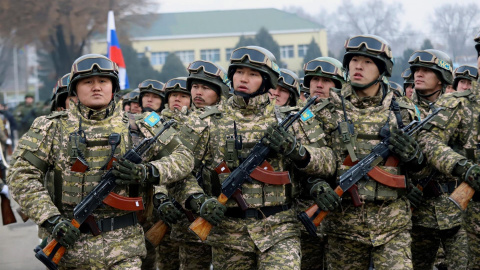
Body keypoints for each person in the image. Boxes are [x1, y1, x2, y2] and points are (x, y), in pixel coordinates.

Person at [7, 54, 194, 269]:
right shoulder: (50, 128)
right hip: (72, 247)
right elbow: (21, 176)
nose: (96, 87)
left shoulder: (143, 125)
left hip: (125, 249)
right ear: (75, 89)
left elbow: (184, 158)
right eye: (88, 82)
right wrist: (51, 219)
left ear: (113, 87)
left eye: (103, 81)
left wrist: (148, 171)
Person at [185, 45, 335, 269]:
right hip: (229, 236)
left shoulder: (293, 119)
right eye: (239, 72)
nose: (243, 79)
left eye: (253, 74)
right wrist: (197, 200)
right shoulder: (205, 121)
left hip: (279, 230)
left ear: (267, 81)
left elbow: (328, 162)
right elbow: (179, 172)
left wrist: (297, 151)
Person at [315, 34, 422, 270]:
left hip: (393, 226)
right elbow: (314, 159)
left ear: (382, 69)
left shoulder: (402, 112)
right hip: (343, 227)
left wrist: (415, 158)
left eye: (367, 62)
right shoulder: (325, 110)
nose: (358, 67)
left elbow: (422, 168)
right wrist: (316, 184)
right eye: (353, 60)